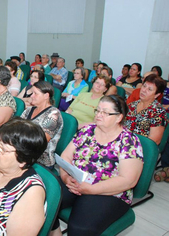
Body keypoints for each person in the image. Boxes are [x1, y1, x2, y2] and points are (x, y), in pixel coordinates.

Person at [50, 95, 143, 236]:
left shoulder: (129, 141)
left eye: (105, 112)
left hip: (109, 192)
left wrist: (92, 189)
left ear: (119, 118)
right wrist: (65, 177)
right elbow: (66, 156)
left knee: (79, 228)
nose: (99, 115)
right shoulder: (87, 130)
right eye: (98, 110)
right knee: (44, 199)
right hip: (76, 180)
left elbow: (128, 180)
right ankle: (54, 231)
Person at [21, 81, 63, 168]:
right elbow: (17, 127)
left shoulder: (54, 114)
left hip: (41, 160)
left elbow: (41, 141)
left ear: (46, 96)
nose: (31, 96)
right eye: (32, 93)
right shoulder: (30, 110)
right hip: (23, 150)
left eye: (35, 93)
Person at [125, 74, 167, 145]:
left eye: (149, 89)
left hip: (141, 148)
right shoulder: (132, 105)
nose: (144, 90)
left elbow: (153, 141)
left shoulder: (158, 112)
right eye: (144, 86)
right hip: (124, 143)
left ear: (157, 95)